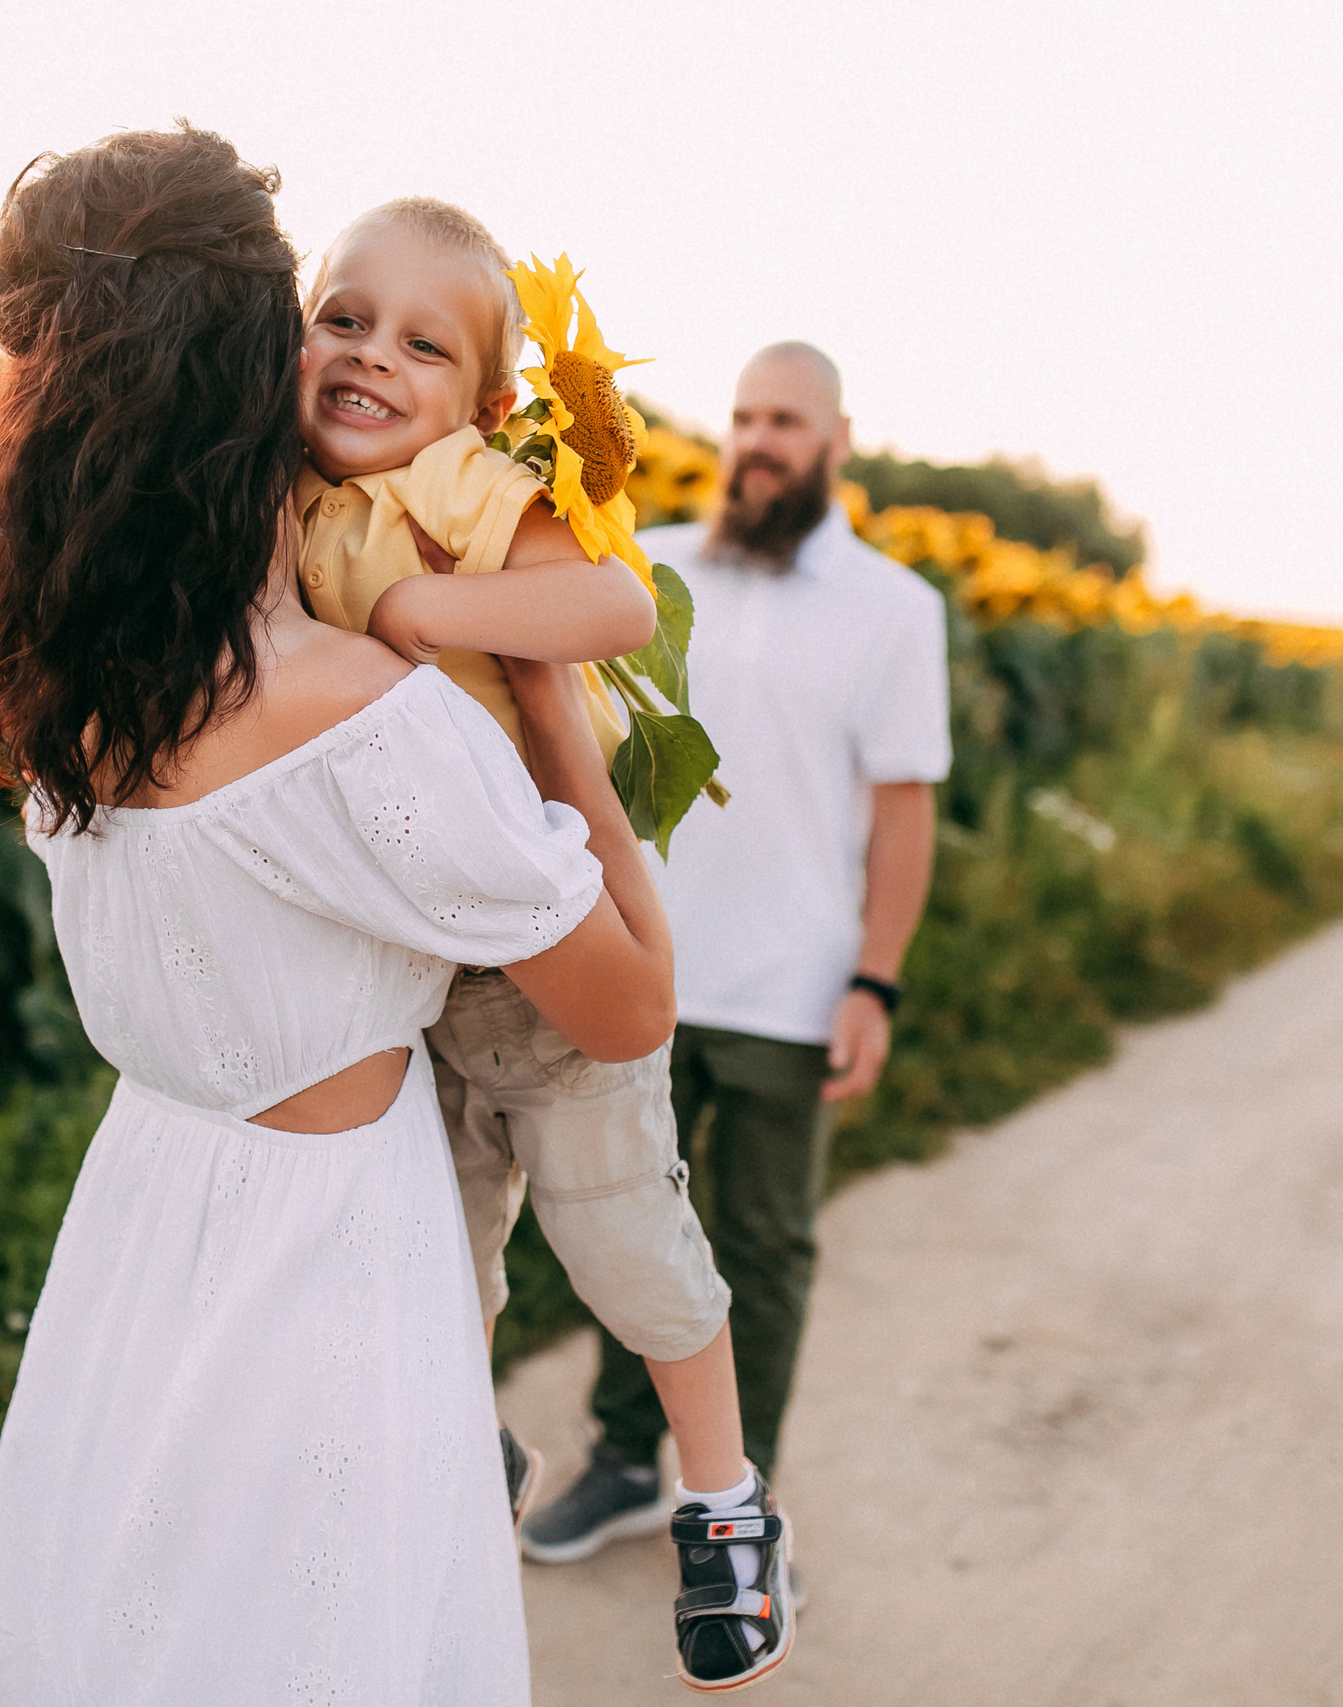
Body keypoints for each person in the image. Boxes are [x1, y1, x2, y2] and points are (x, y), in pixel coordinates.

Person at [0, 126, 675, 1706]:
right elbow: (627, 1006)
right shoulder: (357, 715)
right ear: (250, 370)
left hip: (141, 1222)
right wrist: (546, 698)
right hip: (330, 1263)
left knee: (132, 1620)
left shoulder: (63, 661)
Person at [291, 197, 793, 1690]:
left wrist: (425, 602)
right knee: (434, 1263)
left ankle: (723, 1499)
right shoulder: (287, 496)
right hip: (404, 972)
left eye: (420, 342)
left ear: (491, 404)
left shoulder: (460, 484)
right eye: (341, 318)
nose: (371, 355)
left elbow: (614, 596)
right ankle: (473, 1449)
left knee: (627, 1238)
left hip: (543, 958)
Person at [524, 342, 951, 1593]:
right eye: (745, 417)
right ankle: (616, 1459)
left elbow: (905, 810)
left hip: (790, 985)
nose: (757, 440)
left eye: (786, 421)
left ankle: (737, 1501)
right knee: (626, 1228)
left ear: (837, 442)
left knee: (759, 1245)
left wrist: (875, 980)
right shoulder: (636, 565)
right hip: (631, 966)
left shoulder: (893, 610)